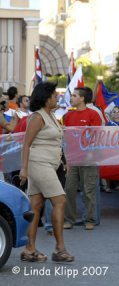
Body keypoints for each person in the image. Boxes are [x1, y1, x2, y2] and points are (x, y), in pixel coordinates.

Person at [19, 82, 74, 262]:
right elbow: (26, 144)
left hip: (50, 163)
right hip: (39, 163)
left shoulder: (51, 115)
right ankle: (59, 249)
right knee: (59, 200)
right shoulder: (37, 117)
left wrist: (63, 160)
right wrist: (24, 169)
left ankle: (29, 250)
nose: (57, 97)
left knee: (35, 206)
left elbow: (55, 142)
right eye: (54, 95)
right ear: (45, 98)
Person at [63, 87, 102, 230]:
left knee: (89, 190)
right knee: (69, 189)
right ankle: (69, 219)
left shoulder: (93, 114)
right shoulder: (68, 116)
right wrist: (66, 159)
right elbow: (66, 138)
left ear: (82, 98)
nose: (71, 98)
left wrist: (92, 154)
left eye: (74, 95)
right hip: (73, 158)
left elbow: (97, 136)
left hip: (89, 158)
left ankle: (89, 219)